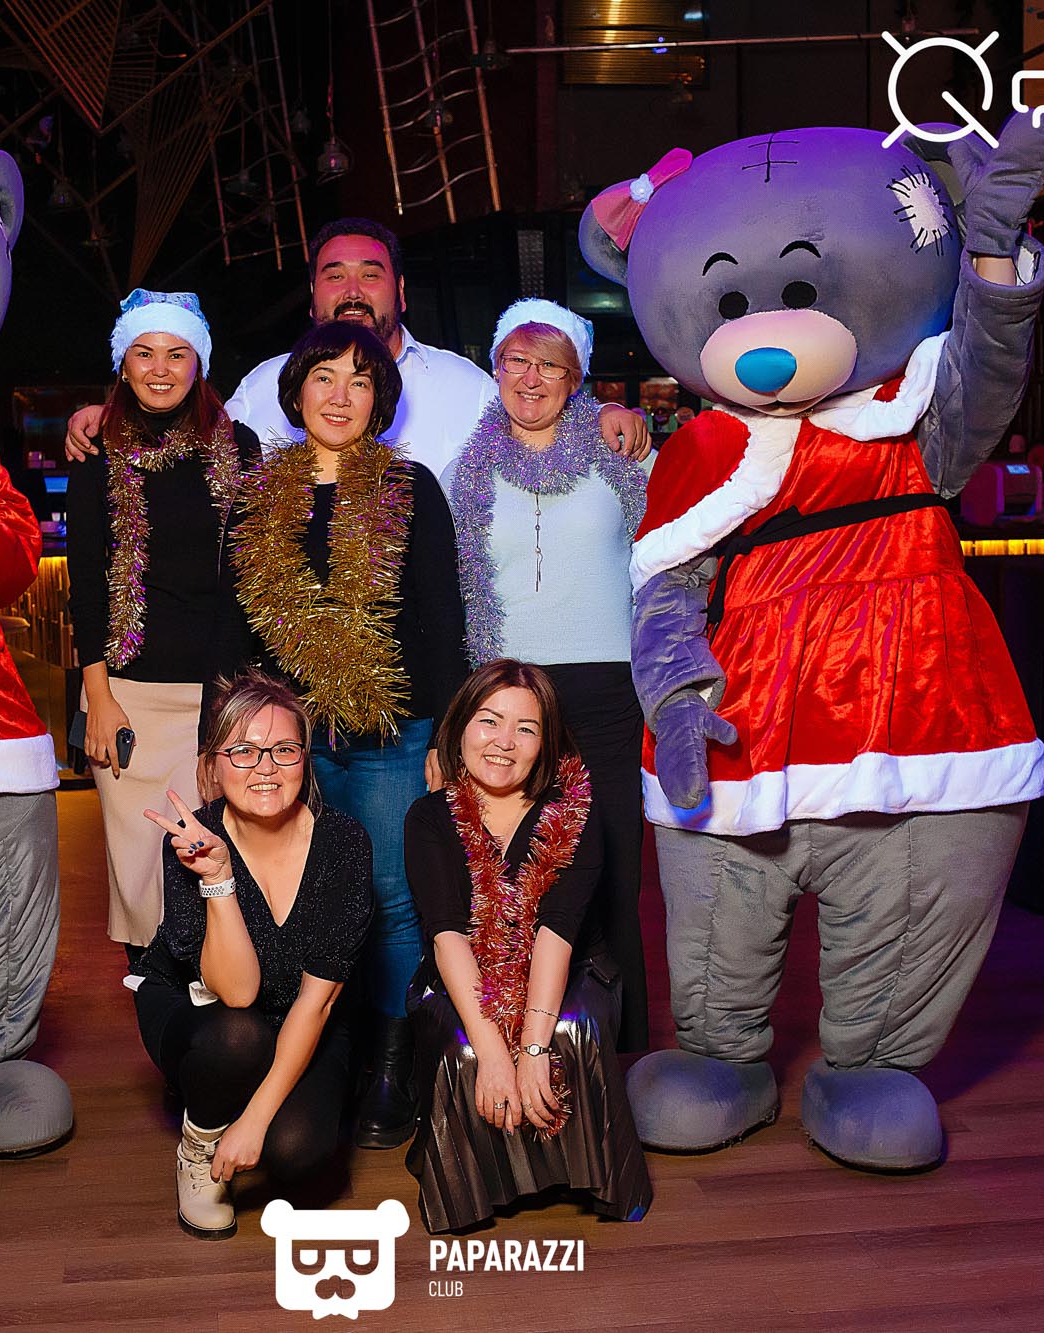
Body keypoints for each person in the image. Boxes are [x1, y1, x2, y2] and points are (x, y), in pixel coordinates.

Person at [229, 319, 466, 1149]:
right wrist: (224, 738)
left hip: (392, 734)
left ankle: (392, 1067)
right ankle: (321, 1058)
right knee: (301, 898)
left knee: (392, 895)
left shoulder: (411, 487)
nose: (340, 395)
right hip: (284, 741)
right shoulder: (258, 495)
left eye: (360, 380)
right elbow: (235, 628)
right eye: (324, 377)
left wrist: (443, 736)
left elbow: (442, 619)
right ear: (296, 392)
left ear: (380, 400)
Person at [446, 298, 652, 1051]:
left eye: (550, 366)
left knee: (615, 873)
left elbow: (675, 553)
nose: (530, 378)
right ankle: (518, 1048)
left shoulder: (621, 453)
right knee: (517, 877)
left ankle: (622, 1053)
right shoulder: (462, 471)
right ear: (496, 368)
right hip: (507, 697)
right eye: (516, 361)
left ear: (576, 379)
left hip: (607, 692)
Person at [63, 218, 651, 478]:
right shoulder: (266, 385)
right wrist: (116, 416)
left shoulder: (463, 384)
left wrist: (600, 414)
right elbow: (192, 446)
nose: (352, 291)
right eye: (333, 275)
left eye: (370, 275)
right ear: (312, 297)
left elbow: (537, 415)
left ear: (400, 291)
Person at [402, 659, 652, 1233]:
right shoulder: (429, 818)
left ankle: (592, 1175)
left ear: (546, 744)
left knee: (570, 1031)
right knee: (468, 1049)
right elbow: (447, 935)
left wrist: (533, 1047)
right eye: (489, 721)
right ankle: (471, 1189)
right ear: (461, 727)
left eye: (526, 728)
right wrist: (495, 1052)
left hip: (572, 967)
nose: (504, 742)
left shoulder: (574, 812)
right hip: (463, 972)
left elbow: (556, 933)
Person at [131, 671, 373, 1239]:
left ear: (305, 760)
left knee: (296, 1150)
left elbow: (317, 1004)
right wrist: (217, 876)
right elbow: (237, 994)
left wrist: (257, 1121)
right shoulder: (194, 840)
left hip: (303, 1016)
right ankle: (199, 1142)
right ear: (212, 765)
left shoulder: (344, 843)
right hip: (206, 1013)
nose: (265, 767)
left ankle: (240, 1101)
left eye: (284, 749)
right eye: (242, 750)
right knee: (239, 1037)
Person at [67, 289, 264, 958]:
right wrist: (98, 697)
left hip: (215, 694)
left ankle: (213, 997)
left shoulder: (237, 446)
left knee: (208, 862)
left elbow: (246, 579)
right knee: (138, 870)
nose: (160, 368)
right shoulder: (97, 448)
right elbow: (87, 582)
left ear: (198, 363)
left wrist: (233, 702)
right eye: (144, 353)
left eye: (177, 354)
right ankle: (155, 1003)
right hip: (127, 698)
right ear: (122, 364)